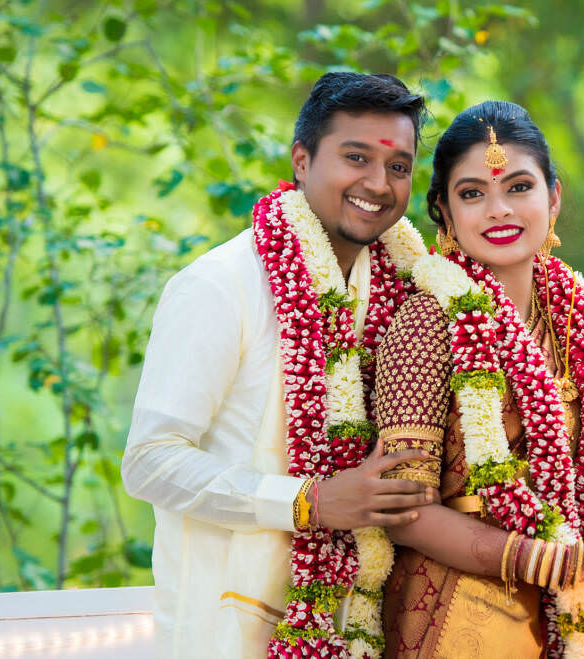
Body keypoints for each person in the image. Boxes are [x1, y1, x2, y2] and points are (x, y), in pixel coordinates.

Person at [122, 72, 436, 659]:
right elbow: (149, 462)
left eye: (399, 167)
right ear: (301, 160)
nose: (378, 183)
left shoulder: (402, 293)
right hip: (224, 629)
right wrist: (307, 503)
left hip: (359, 626)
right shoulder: (219, 286)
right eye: (355, 157)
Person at [373, 100, 584, 659]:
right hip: (458, 619)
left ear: (553, 198)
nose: (498, 210)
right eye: (472, 194)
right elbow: (403, 511)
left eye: (518, 187)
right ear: (443, 212)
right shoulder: (424, 324)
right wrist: (563, 561)